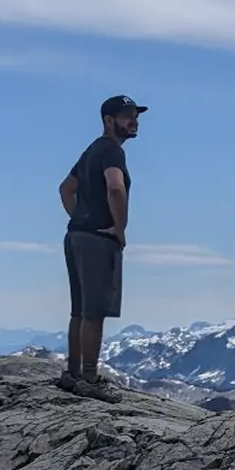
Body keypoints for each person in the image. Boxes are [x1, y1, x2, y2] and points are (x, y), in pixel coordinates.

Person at [58, 95, 146, 402]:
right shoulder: (111, 150)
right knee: (94, 312)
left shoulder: (91, 150)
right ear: (108, 119)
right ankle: (90, 378)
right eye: (126, 115)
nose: (133, 120)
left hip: (77, 236)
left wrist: (80, 217)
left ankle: (72, 374)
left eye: (135, 114)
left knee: (80, 310)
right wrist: (118, 227)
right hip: (98, 239)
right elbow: (115, 186)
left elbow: (66, 189)